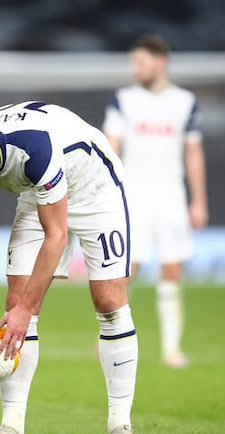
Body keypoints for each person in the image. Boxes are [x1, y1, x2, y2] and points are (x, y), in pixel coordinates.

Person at [0, 101, 145, 434]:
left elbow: (55, 236)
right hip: (38, 193)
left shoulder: (34, 149)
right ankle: (12, 429)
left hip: (95, 189)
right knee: (14, 303)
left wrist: (27, 309)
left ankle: (121, 426)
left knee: (109, 303)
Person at [102, 34, 208, 369]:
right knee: (126, 269)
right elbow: (111, 145)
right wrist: (108, 191)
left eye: (141, 62)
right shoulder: (124, 100)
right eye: (134, 62)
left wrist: (199, 200)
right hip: (134, 197)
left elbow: (193, 152)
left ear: (160, 62)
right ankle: (109, 336)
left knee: (172, 268)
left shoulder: (185, 101)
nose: (136, 68)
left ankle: (171, 349)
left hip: (172, 197)